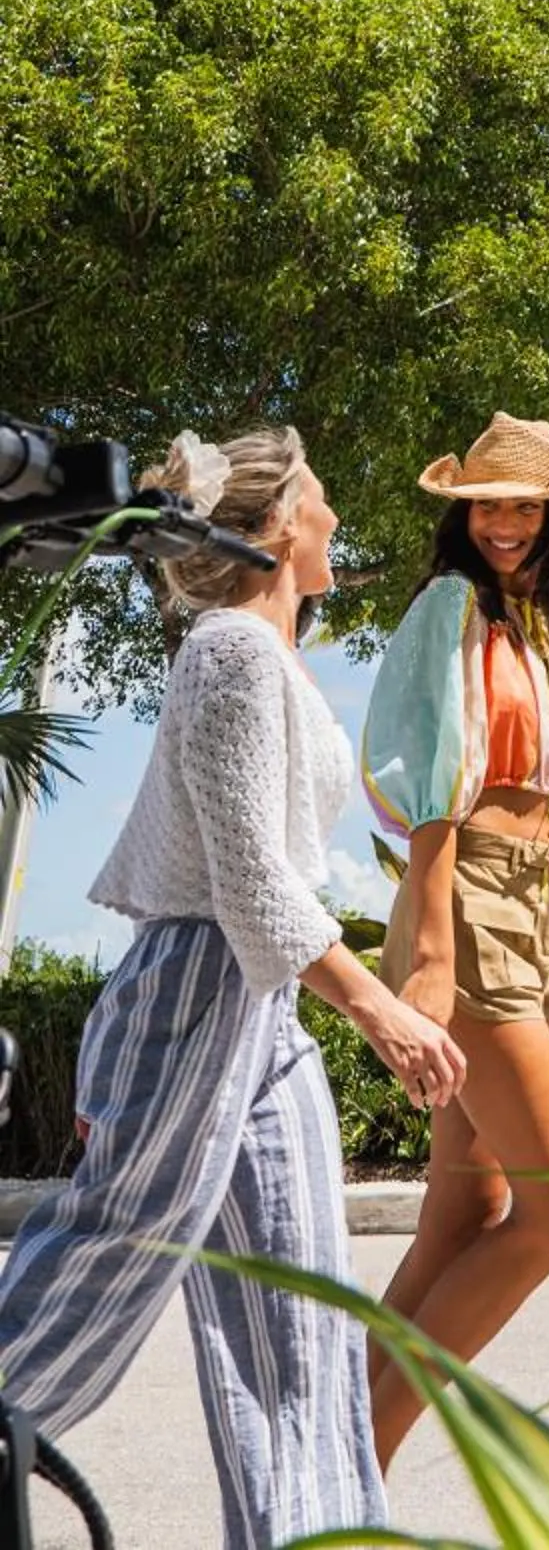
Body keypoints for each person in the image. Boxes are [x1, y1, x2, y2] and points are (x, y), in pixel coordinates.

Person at [0, 425, 466, 1550]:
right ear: (275, 522)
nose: (337, 514)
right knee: (115, 1245)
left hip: (257, 1003)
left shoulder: (268, 657)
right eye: (321, 494)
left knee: (298, 1315)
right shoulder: (229, 653)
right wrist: (384, 1009)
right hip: (197, 981)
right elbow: (253, 879)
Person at [360, 411, 549, 1465]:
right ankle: (355, 1473)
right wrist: (433, 955)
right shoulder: (450, 609)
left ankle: (334, 1469)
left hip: (538, 914)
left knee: (470, 1207)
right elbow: (430, 789)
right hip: (467, 902)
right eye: (484, 503)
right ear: (461, 514)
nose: (500, 522)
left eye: (521, 504)